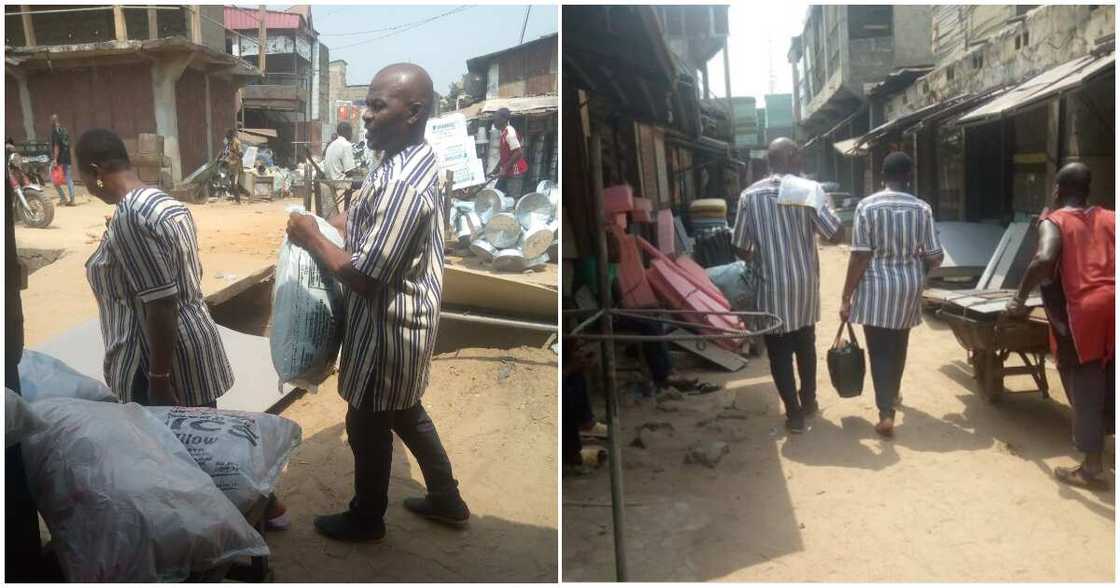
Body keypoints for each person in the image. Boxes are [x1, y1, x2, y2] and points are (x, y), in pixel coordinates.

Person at [286, 63, 470, 542]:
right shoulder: (403, 160)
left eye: (377, 106)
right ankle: (447, 500)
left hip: (389, 325)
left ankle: (367, 517)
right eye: (367, 104)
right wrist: (338, 226)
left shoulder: (404, 184)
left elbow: (365, 277)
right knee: (405, 409)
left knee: (366, 419)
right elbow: (372, 228)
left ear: (413, 112)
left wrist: (311, 238)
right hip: (402, 320)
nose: (365, 116)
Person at [1006, 162, 1114, 487]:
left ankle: (1092, 467)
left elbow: (1044, 260)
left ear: (1057, 190)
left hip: (1084, 313)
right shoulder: (1112, 217)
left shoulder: (1055, 220)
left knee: (1085, 385)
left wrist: (1019, 299)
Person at [732, 138, 842, 434]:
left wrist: (764, 256)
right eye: (800, 155)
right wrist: (824, 202)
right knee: (805, 345)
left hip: (771, 287)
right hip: (804, 286)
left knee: (779, 351)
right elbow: (836, 234)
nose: (802, 160)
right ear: (791, 157)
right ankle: (808, 401)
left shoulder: (749, 196)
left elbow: (741, 248)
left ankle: (793, 414)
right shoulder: (808, 190)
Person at [839, 152, 942, 438]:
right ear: (909, 177)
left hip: (875, 287)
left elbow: (860, 255)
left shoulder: (866, 207)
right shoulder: (922, 209)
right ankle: (893, 394)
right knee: (899, 344)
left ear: (882, 176)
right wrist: (918, 260)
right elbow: (936, 258)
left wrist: (846, 296)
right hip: (909, 286)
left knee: (879, 350)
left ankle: (886, 413)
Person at [489, 107, 528, 198]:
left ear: (504, 119)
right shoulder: (503, 133)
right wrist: (496, 168)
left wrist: (504, 168)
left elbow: (518, 152)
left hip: (515, 172)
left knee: (513, 198)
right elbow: (506, 155)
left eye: (496, 118)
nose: (494, 121)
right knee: (497, 194)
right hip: (507, 171)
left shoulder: (510, 133)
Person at [49, 114, 76, 206]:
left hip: (60, 160)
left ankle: (63, 198)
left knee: (54, 179)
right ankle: (72, 200)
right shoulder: (64, 131)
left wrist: (55, 159)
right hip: (67, 158)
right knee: (68, 178)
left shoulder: (54, 132)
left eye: (51, 120)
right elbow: (69, 145)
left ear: (53, 121)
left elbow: (56, 146)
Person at [223, 129, 243, 204]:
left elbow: (241, 154)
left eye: (229, 138)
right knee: (232, 184)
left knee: (235, 184)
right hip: (231, 166)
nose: (228, 140)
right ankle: (237, 199)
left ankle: (238, 201)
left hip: (236, 167)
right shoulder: (229, 143)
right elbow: (225, 151)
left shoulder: (237, 143)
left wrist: (234, 153)